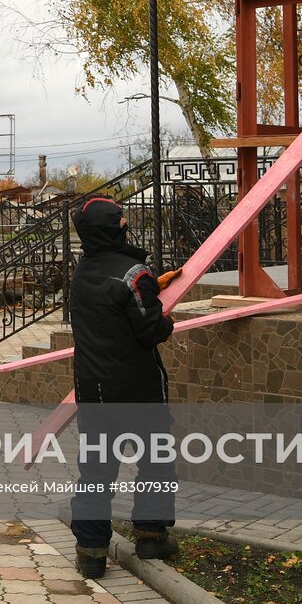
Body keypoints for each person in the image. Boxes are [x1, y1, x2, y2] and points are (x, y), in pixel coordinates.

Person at [67, 196, 180, 578]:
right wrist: (166, 318)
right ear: (113, 227)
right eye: (121, 219)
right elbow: (150, 329)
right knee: (155, 463)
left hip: (94, 393)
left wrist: (151, 287)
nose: (126, 222)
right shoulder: (134, 274)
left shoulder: (83, 271)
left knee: (96, 471)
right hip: (139, 393)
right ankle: (151, 536)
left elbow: (112, 306)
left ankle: (91, 552)